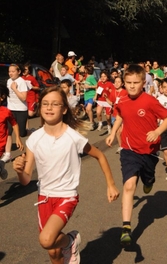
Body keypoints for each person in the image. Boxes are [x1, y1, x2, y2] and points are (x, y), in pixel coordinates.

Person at [13, 86, 119, 264]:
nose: (49, 108)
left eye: (55, 104)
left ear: (64, 109)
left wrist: (111, 184)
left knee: (46, 239)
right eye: (45, 104)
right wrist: (18, 171)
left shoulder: (73, 137)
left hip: (66, 196)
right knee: (53, 251)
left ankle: (70, 240)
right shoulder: (34, 138)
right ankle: (66, 248)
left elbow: (100, 155)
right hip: (44, 198)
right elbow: (25, 179)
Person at [106, 64, 167, 246]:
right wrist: (113, 133)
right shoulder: (122, 99)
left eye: (136, 82)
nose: (132, 86)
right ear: (123, 83)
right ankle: (126, 227)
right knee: (129, 185)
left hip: (150, 150)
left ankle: (149, 180)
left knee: (147, 179)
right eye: (128, 83)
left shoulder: (149, 101)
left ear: (144, 82)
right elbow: (120, 115)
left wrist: (158, 131)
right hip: (129, 149)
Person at [2, 64, 28, 163]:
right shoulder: (9, 81)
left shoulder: (22, 82)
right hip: (10, 109)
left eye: (13, 71)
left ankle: (32, 131)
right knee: (8, 131)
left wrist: (15, 89)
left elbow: (24, 98)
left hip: (21, 110)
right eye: (9, 71)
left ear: (19, 72)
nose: (11, 73)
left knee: (22, 133)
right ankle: (8, 154)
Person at [0, 83, 23, 179]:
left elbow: (14, 123)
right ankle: (1, 166)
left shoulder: (6, 112)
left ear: (2, 97)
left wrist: (17, 137)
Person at [105, 76, 128, 153]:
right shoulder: (112, 92)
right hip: (115, 114)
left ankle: (126, 145)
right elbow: (112, 103)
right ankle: (121, 146)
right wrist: (106, 98)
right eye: (115, 82)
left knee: (122, 131)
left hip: (123, 114)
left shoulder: (125, 92)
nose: (117, 83)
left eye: (119, 82)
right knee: (118, 131)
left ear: (122, 83)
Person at [83, 65, 97, 130]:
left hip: (91, 95)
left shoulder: (91, 77)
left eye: (85, 69)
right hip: (86, 95)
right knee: (88, 110)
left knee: (89, 109)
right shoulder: (87, 77)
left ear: (87, 70)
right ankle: (94, 122)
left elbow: (96, 85)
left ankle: (91, 123)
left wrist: (89, 87)